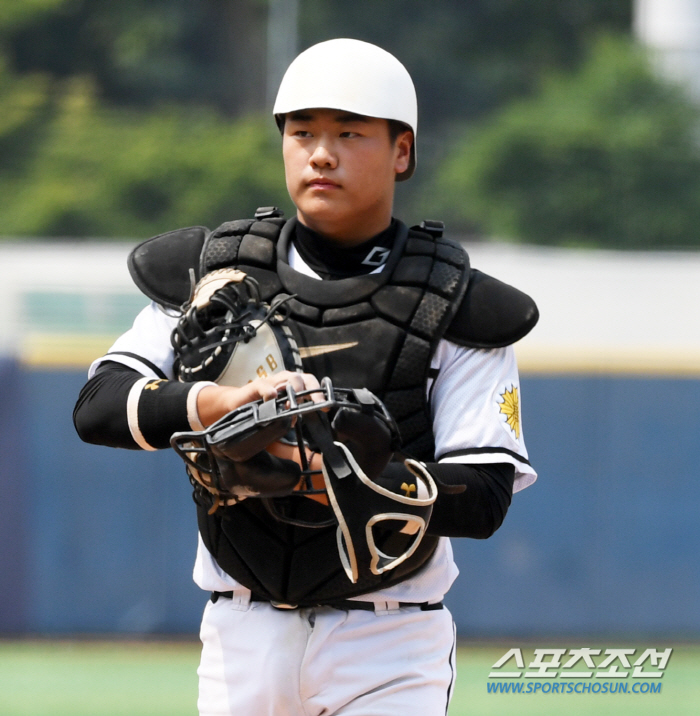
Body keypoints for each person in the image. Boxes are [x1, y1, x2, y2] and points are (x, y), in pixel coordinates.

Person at [74, 38, 538, 716]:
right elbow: (97, 408)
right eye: (303, 132)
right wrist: (219, 405)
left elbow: (484, 495)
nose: (321, 153)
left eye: (349, 133)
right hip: (242, 634)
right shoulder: (216, 273)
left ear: (401, 151)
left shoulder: (458, 304)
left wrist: (328, 474)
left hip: (388, 638)